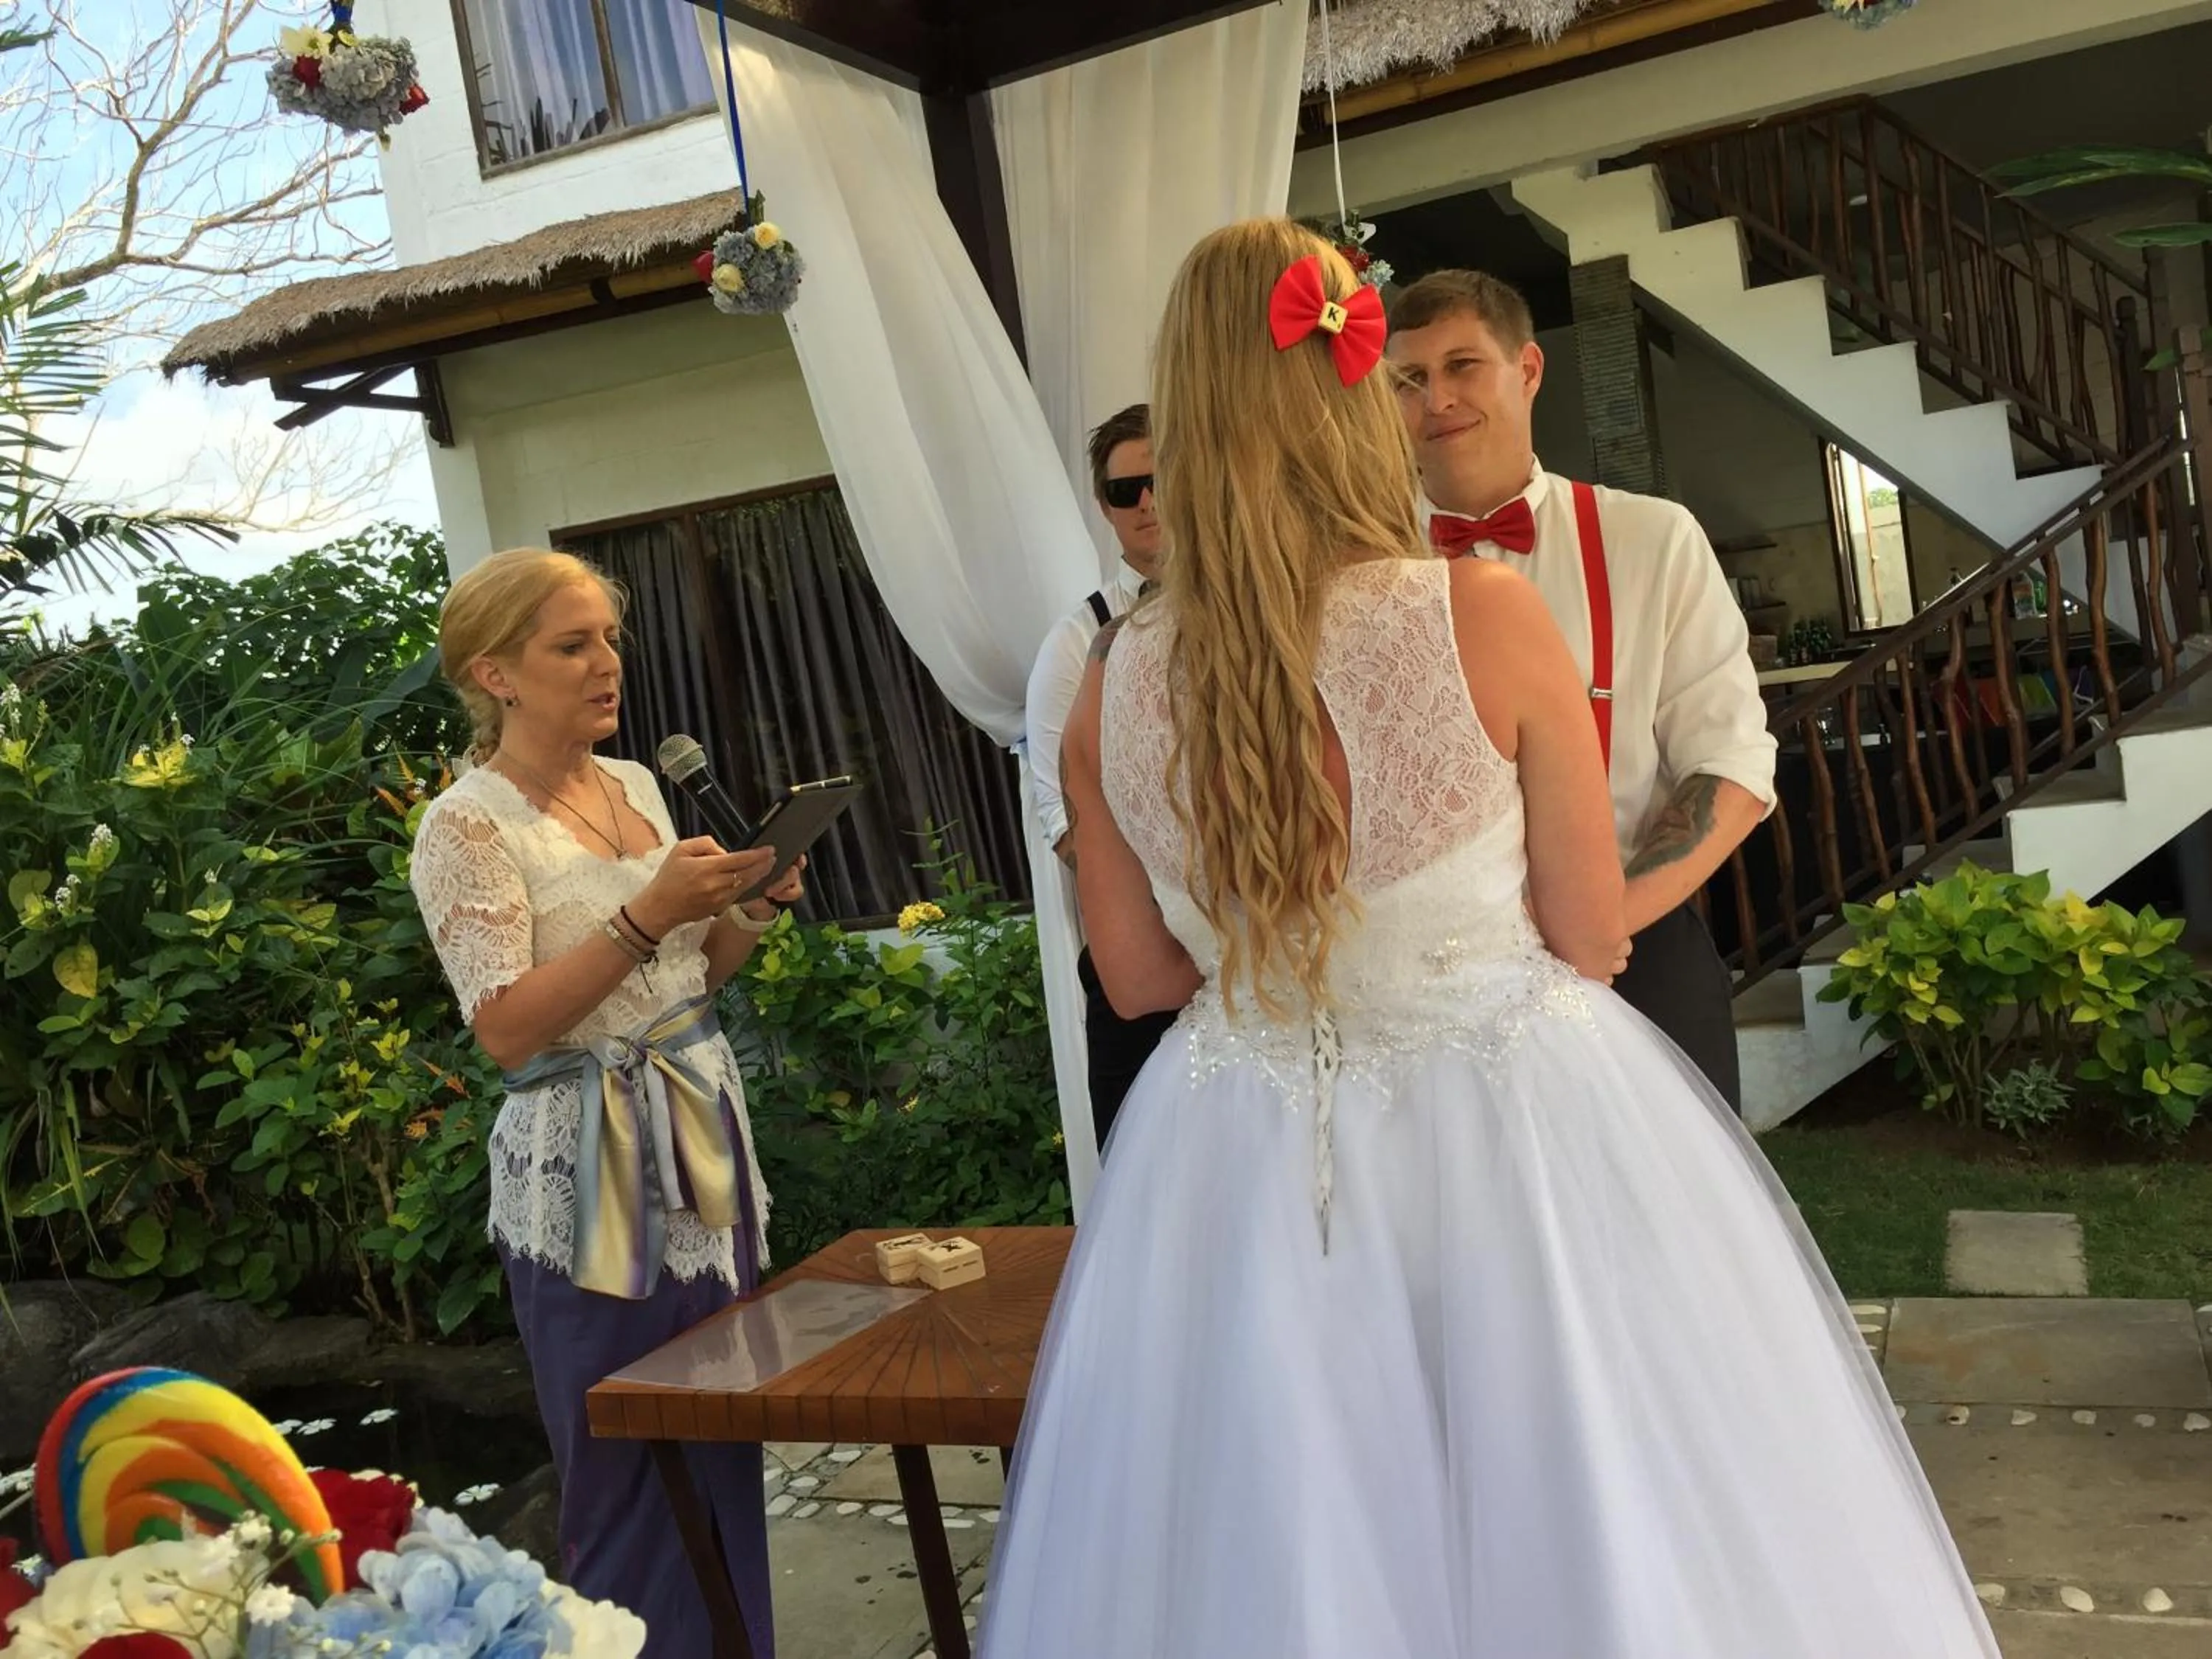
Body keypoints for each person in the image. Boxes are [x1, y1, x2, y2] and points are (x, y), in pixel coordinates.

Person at [975, 220, 2000, 1659]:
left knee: (1293, 1523)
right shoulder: (1481, 612)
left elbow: (1138, 980)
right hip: (1513, 1126)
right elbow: (1587, 935)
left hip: (1244, 1155)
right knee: (1593, 1480)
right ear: (1351, 393)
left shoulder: (1106, 683)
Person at [408, 549, 804, 1659]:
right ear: (496, 673)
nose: (605, 664)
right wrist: (644, 915)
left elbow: (689, 978)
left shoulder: (634, 784)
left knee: (725, 1442)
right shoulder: (465, 827)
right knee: (627, 1469)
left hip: (701, 1138)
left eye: (609, 639)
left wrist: (752, 908)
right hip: (587, 1163)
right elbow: (505, 1028)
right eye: (571, 644)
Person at [1386, 269, 1773, 1110]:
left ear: (1528, 370)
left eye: (1463, 366)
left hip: (1634, 951)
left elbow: (1732, 770)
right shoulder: (1362, 575)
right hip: (1431, 987)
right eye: (1409, 380)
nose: (1437, 399)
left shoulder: (1652, 539)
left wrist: (1600, 925)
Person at [1023, 403, 1175, 1149]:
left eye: (1162, 479)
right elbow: (1066, 825)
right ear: (1105, 508)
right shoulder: (1076, 641)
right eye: (1125, 491)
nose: (1147, 501)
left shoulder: (1262, 611)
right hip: (1140, 965)